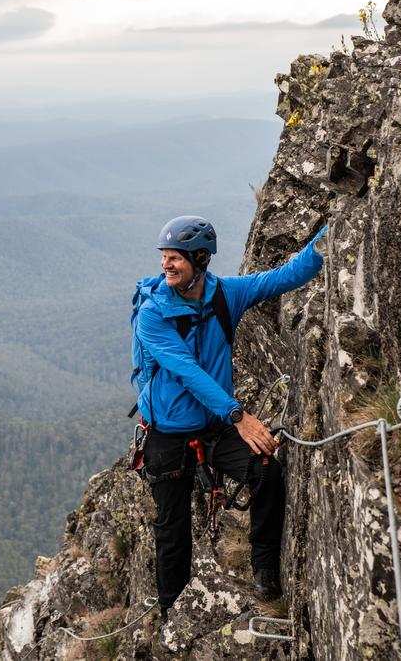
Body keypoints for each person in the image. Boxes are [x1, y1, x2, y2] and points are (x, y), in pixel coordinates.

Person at [136, 215, 327, 620]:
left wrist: (334, 232)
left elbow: (285, 277)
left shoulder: (226, 296)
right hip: (169, 436)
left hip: (214, 429)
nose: (166, 265)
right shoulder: (153, 315)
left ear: (200, 260)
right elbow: (186, 370)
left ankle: (264, 572)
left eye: (175, 258)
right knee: (172, 528)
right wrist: (239, 415)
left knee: (266, 472)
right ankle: (172, 611)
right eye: (164, 257)